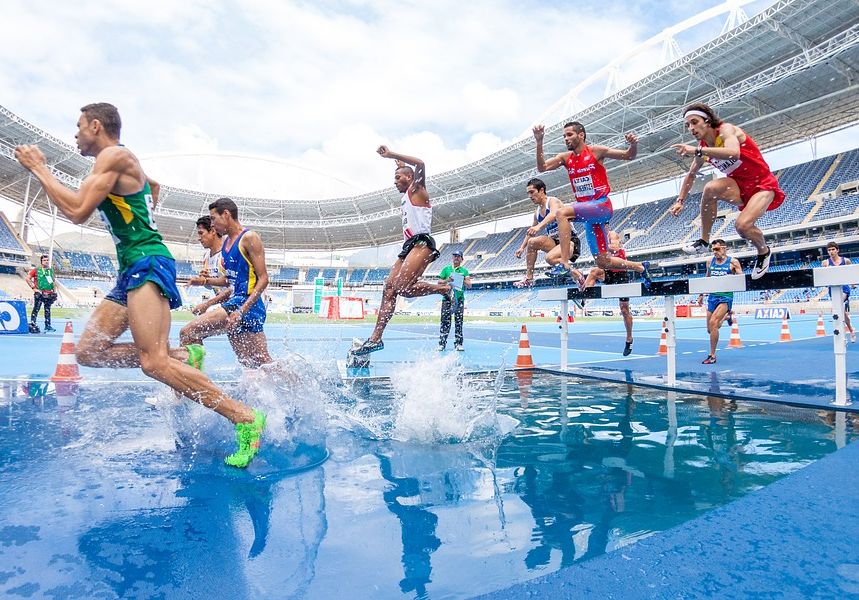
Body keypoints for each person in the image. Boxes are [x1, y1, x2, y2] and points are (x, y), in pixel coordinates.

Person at [14, 103, 264, 468]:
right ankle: (184, 356)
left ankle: (245, 418)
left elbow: (78, 210)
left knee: (153, 363)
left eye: (79, 127)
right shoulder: (119, 163)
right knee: (89, 352)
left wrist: (39, 168)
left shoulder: (113, 155)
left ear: (96, 126)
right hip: (132, 267)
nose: (75, 134)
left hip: (147, 263)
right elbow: (153, 186)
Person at [353, 147, 452, 355]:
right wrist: (397, 164)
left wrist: (392, 155)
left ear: (410, 178)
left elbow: (421, 164)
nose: (394, 181)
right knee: (389, 288)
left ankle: (442, 289)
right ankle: (375, 339)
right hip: (408, 247)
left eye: (398, 177)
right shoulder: (407, 193)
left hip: (421, 243)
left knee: (403, 289)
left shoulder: (417, 190)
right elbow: (406, 170)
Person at [669, 103, 785, 280]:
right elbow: (691, 174)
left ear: (707, 121)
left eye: (694, 122)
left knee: (742, 226)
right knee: (710, 188)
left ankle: (763, 251)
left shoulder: (726, 130)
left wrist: (698, 150)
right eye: (688, 125)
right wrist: (680, 200)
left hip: (762, 184)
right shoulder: (703, 148)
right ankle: (704, 241)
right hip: (739, 186)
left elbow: (734, 153)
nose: (691, 128)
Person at [533, 123, 652, 286]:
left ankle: (564, 263)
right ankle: (640, 267)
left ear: (581, 135)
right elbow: (542, 167)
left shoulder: (596, 151)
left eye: (569, 135)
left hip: (601, 205)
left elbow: (628, 156)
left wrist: (633, 145)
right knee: (603, 261)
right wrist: (539, 141)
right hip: (589, 214)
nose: (566, 139)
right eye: (564, 136)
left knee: (561, 213)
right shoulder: (565, 158)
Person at [180, 198, 276, 369]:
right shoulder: (226, 245)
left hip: (245, 303)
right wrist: (203, 281)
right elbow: (227, 281)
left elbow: (263, 278)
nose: (213, 224)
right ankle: (297, 387)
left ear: (226, 214)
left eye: (213, 218)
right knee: (255, 363)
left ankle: (193, 386)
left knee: (188, 332)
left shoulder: (249, 237)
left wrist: (241, 310)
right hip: (237, 304)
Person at [513, 178, 585, 288]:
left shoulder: (552, 201)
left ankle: (575, 273)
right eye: (528, 193)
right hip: (554, 242)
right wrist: (522, 247)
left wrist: (539, 226)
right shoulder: (537, 212)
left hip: (569, 242)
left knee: (549, 258)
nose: (530, 196)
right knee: (532, 242)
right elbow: (531, 230)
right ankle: (529, 278)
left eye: (532, 192)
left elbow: (553, 214)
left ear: (541, 191)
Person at [582, 230, 636, 356]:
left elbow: (613, 247)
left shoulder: (616, 244)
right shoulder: (603, 241)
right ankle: (584, 296)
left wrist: (602, 244)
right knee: (594, 271)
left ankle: (629, 338)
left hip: (621, 276)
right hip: (609, 274)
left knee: (624, 310)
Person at [701, 239, 742, 365]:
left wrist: (733, 277)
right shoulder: (710, 262)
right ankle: (727, 317)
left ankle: (712, 355)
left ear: (724, 248)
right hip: (712, 297)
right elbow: (707, 278)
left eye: (717, 249)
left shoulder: (733, 262)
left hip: (725, 297)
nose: (715, 252)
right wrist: (702, 294)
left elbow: (741, 278)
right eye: (713, 249)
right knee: (710, 329)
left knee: (713, 323)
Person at [184, 215, 228, 315]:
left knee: (188, 330)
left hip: (238, 305)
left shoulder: (226, 253)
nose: (199, 238)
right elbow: (211, 286)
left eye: (201, 233)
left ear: (213, 231)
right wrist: (205, 280)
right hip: (225, 304)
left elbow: (233, 286)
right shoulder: (207, 257)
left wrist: (207, 304)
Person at [821, 241, 856, 343]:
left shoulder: (846, 261)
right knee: (841, 311)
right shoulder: (825, 263)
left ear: (837, 250)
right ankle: (851, 330)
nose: (831, 252)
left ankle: (843, 335)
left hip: (844, 288)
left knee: (839, 306)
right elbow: (823, 277)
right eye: (829, 250)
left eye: (833, 249)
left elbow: (852, 272)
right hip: (833, 289)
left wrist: (853, 283)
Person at [437, 250, 471, 351]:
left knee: (459, 321)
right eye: (454, 255)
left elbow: (469, 284)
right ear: (452, 258)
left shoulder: (464, 271)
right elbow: (439, 282)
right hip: (447, 299)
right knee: (444, 321)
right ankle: (442, 343)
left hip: (459, 299)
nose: (456, 257)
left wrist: (461, 279)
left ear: (461, 259)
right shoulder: (446, 269)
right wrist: (448, 280)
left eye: (458, 256)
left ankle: (458, 344)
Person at [27, 254, 58, 333]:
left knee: (47, 310)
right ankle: (33, 323)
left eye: (47, 260)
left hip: (49, 293)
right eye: (44, 260)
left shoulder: (50, 270)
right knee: (36, 309)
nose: (46, 261)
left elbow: (53, 282)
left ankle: (47, 325)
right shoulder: (36, 270)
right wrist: (34, 288)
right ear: (41, 261)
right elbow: (27, 278)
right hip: (40, 293)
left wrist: (54, 292)